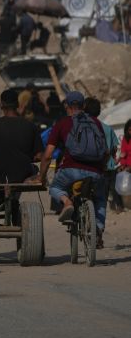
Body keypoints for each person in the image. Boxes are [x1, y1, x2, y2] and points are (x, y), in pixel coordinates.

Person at [39, 91, 108, 244]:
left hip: (71, 170)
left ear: (66, 106)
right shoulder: (96, 123)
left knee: (55, 188)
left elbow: (48, 154)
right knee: (100, 198)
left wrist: (41, 177)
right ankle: (98, 229)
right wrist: (101, 170)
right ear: (83, 106)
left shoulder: (62, 123)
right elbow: (105, 151)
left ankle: (67, 202)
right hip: (95, 172)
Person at [0, 89, 43, 183]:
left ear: (2, 105)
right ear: (18, 105)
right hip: (24, 174)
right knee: (34, 168)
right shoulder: (31, 125)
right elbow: (39, 156)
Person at [85, 98, 121, 218]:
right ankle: (99, 227)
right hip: (107, 167)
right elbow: (114, 147)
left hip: (88, 167)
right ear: (99, 111)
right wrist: (113, 158)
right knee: (102, 200)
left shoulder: (83, 127)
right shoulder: (107, 128)